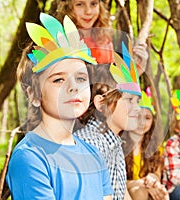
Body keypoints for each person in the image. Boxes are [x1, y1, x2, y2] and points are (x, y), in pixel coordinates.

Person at [6, 13, 113, 199]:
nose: (73, 87)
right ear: (34, 95)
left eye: (80, 78)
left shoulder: (94, 156)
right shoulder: (30, 157)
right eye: (58, 80)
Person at [74, 41, 142, 200]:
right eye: (130, 100)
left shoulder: (114, 143)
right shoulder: (90, 145)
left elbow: (120, 192)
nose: (138, 108)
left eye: (137, 101)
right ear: (101, 104)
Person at [55, 0, 148, 75]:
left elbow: (112, 83)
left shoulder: (103, 39)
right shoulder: (61, 40)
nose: (88, 11)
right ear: (68, 8)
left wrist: (138, 69)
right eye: (80, 4)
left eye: (93, 4)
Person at [122, 87, 169, 200]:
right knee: (140, 191)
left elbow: (156, 174)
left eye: (147, 118)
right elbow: (116, 181)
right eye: (138, 116)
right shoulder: (120, 145)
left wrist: (152, 179)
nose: (142, 122)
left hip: (144, 187)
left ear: (153, 122)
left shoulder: (156, 148)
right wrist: (140, 183)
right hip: (125, 191)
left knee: (159, 193)